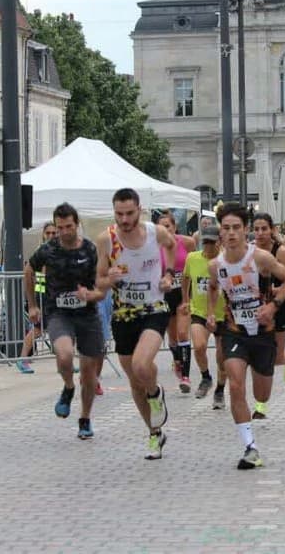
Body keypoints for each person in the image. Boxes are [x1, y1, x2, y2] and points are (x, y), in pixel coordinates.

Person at [206, 203, 285, 469]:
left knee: (262, 394)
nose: (231, 233)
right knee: (235, 383)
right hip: (234, 332)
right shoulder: (215, 265)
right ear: (220, 232)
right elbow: (212, 288)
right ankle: (250, 447)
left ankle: (283, 361)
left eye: (236, 228)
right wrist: (213, 313)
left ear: (245, 231)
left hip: (264, 334)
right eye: (226, 228)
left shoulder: (260, 259)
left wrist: (272, 305)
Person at [95, 188, 176, 460]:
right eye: (119, 214)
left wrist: (168, 274)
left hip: (154, 308)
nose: (124, 219)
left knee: (143, 365)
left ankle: (156, 393)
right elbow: (99, 282)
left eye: (129, 213)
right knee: (134, 380)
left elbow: (173, 248)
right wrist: (110, 278)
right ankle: (155, 433)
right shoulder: (107, 240)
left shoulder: (156, 233)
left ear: (139, 210)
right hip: (124, 314)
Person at [25, 203, 105, 439]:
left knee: (90, 373)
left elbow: (101, 283)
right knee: (64, 354)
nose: (64, 232)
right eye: (60, 228)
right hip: (59, 313)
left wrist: (92, 294)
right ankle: (69, 387)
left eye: (69, 226)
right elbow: (29, 270)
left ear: (77, 224)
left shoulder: (90, 250)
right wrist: (32, 305)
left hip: (87, 314)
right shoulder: (48, 249)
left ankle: (85, 418)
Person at [252, 213, 285, 418]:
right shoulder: (250, 252)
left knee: (275, 358)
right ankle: (260, 405)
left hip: (280, 309)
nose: (260, 233)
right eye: (257, 229)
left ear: (272, 229)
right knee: (259, 357)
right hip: (257, 311)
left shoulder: (281, 251)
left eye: (264, 228)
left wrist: (275, 290)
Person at [183, 225, 228, 409]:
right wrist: (185, 300)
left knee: (221, 356)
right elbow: (185, 278)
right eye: (205, 242)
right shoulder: (193, 258)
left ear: (220, 241)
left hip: (223, 314)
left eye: (212, 242)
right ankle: (206, 377)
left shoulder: (226, 261)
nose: (208, 246)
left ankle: (219, 390)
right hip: (199, 311)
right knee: (199, 346)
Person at [157, 212, 198, 394]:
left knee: (183, 334)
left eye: (168, 226)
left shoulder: (187, 242)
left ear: (175, 227)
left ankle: (186, 377)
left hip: (183, 294)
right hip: (165, 296)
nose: (165, 229)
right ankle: (178, 361)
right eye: (162, 227)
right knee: (172, 338)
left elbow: (195, 264)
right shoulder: (154, 246)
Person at [18, 222, 59, 374]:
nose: (51, 236)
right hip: (42, 294)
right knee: (38, 329)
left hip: (54, 294)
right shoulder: (42, 251)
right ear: (43, 234)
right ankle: (22, 359)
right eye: (48, 233)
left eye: (54, 233)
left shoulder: (60, 249)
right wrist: (33, 302)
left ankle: (64, 360)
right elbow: (30, 271)